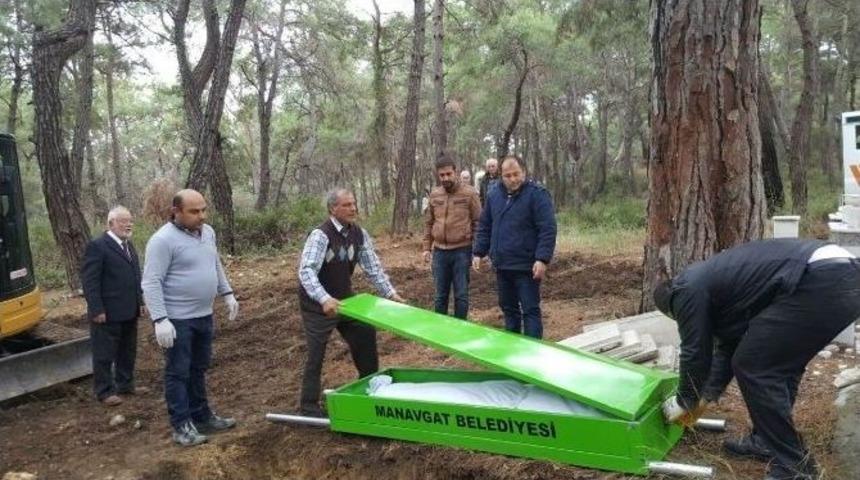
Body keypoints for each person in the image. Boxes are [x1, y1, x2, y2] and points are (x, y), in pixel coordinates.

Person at [653, 239, 860, 480]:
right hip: (839, 276)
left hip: (820, 277)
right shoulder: (720, 290)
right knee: (776, 363)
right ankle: (765, 441)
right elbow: (730, 347)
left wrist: (685, 400)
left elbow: (695, 350)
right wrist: (706, 395)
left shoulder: (684, 290)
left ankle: (794, 468)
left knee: (756, 368)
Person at [142, 189, 240, 447]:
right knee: (178, 372)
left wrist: (227, 293)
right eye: (194, 211)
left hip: (203, 315)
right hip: (177, 320)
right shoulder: (162, 241)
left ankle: (202, 416)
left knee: (199, 367)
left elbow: (214, 263)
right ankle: (181, 424)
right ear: (176, 212)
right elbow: (151, 282)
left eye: (204, 210)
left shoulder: (208, 233)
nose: (202, 216)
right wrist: (160, 319)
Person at [298, 188, 405, 417]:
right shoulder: (321, 235)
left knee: (364, 332)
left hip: (345, 301)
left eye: (354, 204)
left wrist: (390, 293)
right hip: (317, 305)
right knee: (316, 352)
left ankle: (370, 386)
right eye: (346, 205)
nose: (353, 208)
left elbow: (373, 267)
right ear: (332, 209)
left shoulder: (359, 234)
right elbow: (306, 271)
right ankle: (308, 405)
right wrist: (324, 299)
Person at [473, 154, 557, 338]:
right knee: (509, 310)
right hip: (502, 265)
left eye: (516, 174)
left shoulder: (537, 194)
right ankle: (512, 349)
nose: (512, 179)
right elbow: (485, 225)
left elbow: (547, 229)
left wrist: (542, 259)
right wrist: (478, 252)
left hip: (527, 266)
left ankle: (532, 350)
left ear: (523, 172)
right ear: (501, 176)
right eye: (507, 175)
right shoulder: (494, 195)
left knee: (530, 310)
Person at [81, 206, 143, 407]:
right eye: (123, 221)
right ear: (111, 223)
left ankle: (125, 384)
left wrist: (140, 301)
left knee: (127, 350)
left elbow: (135, 275)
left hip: (129, 309)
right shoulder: (98, 246)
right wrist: (97, 309)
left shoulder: (128, 245)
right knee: (104, 352)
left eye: (130, 220)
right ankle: (104, 391)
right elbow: (90, 281)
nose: (128, 224)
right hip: (106, 312)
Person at [423, 155, 482, 319]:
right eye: (442, 175)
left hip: (462, 251)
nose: (445, 178)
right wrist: (426, 248)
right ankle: (440, 330)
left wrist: (477, 251)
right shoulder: (435, 195)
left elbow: (478, 223)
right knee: (440, 296)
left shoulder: (469, 193)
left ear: (455, 172)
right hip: (439, 252)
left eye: (448, 174)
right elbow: (428, 223)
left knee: (461, 295)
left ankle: (460, 329)